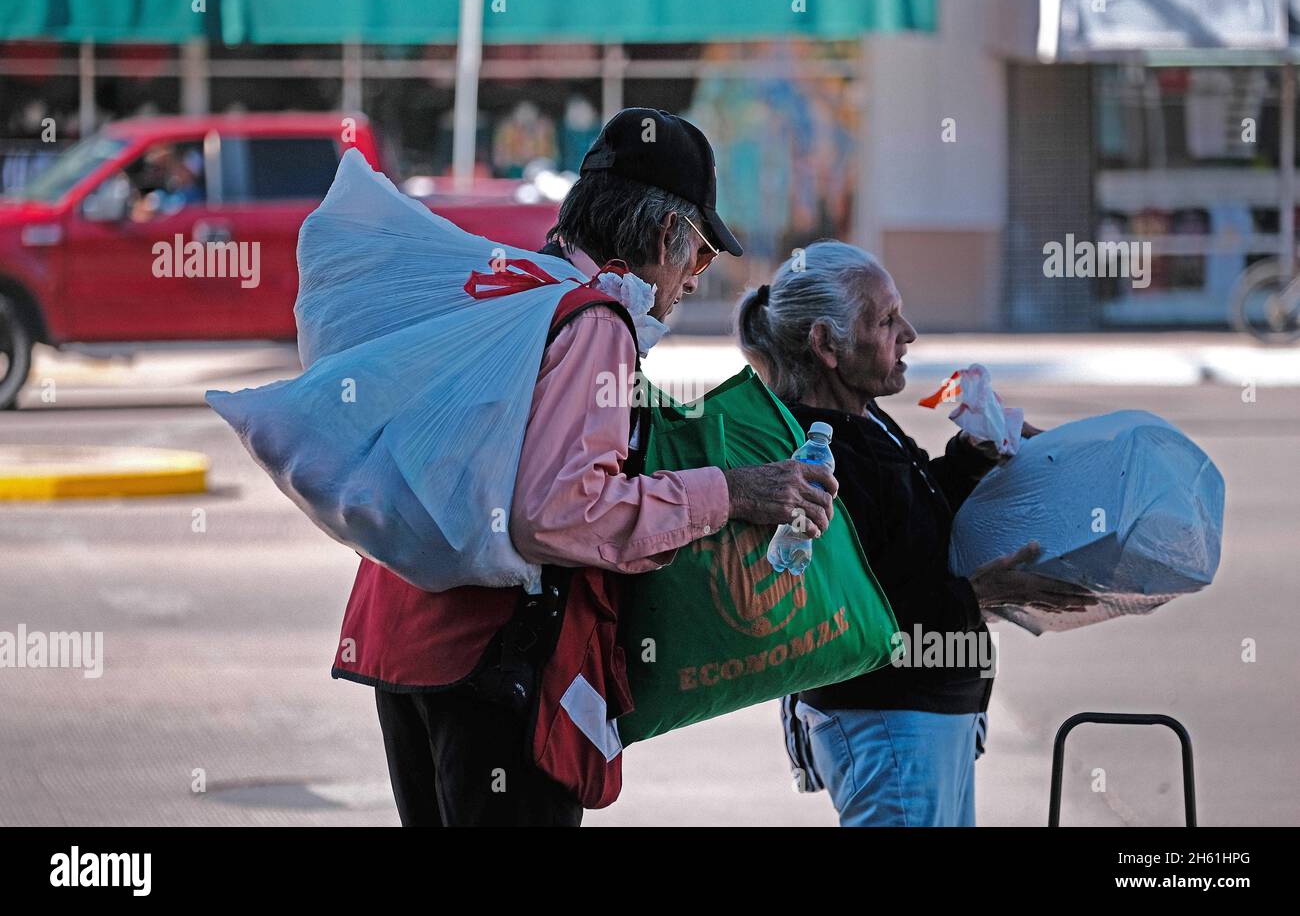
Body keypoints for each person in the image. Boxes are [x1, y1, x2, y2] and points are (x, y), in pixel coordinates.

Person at [331, 108, 839, 826]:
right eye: (699, 253)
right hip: (494, 665)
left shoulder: (516, 287)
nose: (695, 277)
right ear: (667, 234)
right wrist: (729, 492)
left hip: (408, 644)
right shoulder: (596, 322)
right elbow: (560, 512)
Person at [737, 240, 1091, 827]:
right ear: (826, 344)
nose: (909, 333)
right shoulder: (814, 454)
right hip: (888, 721)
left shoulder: (862, 421)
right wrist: (983, 594)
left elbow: (910, 531)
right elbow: (849, 612)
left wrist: (970, 456)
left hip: (925, 715)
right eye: (885, 320)